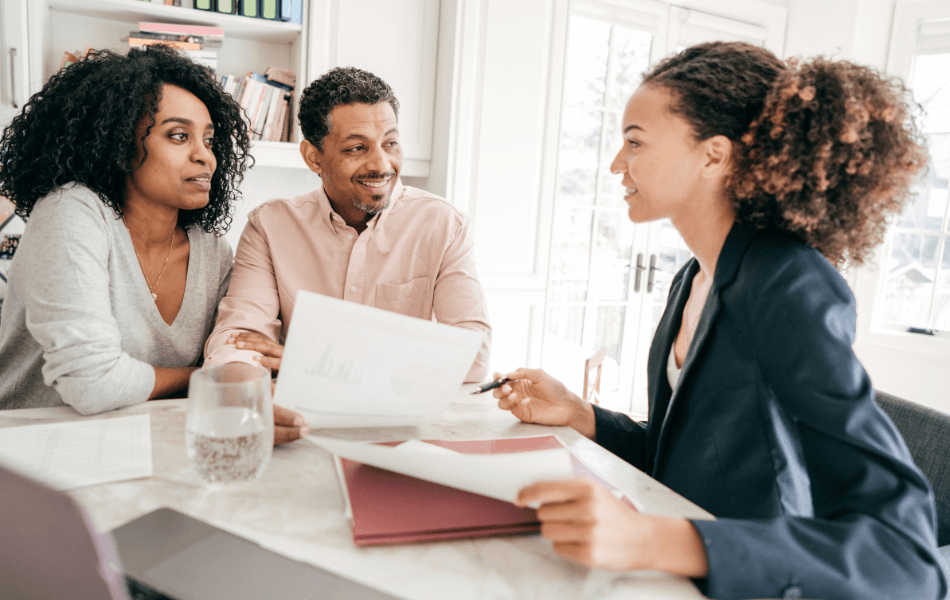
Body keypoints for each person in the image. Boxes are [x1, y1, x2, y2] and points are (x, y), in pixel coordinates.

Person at [493, 42, 946, 600]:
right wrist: (583, 415)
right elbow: (689, 453)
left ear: (713, 155)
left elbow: (907, 559)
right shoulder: (695, 277)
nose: (616, 164)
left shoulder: (789, 283)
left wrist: (651, 541)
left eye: (634, 142)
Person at [203, 67, 491, 444]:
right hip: (303, 427)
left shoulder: (444, 225)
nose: (381, 165)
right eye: (357, 148)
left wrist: (317, 361)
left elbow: (473, 355)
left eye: (390, 143)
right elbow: (238, 340)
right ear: (313, 156)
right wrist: (247, 399)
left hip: (403, 433)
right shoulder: (269, 226)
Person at [0, 45, 250, 414]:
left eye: (209, 140)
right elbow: (92, 383)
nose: (205, 156)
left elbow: (233, 356)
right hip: (31, 446)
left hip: (146, 437)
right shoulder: (70, 212)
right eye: (179, 136)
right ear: (119, 143)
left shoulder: (212, 250)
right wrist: (203, 377)